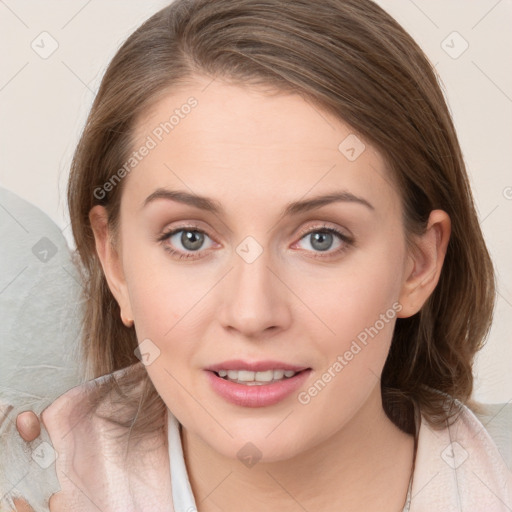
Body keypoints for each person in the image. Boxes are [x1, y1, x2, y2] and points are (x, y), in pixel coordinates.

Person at [6, 0, 511, 510]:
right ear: (114, 261)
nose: (252, 313)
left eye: (321, 238)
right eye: (190, 238)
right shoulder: (26, 485)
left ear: (417, 266)